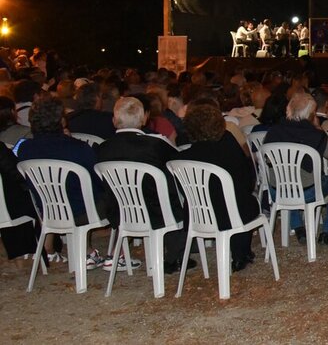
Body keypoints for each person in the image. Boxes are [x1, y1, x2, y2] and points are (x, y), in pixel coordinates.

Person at [17, 96, 109, 269]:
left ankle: (85, 251)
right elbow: (98, 181)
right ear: (62, 120)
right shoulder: (79, 148)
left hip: (48, 210)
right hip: (83, 212)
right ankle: (111, 253)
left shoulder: (25, 148)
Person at [95, 97, 185, 272]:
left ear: (114, 120)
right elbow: (179, 164)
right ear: (144, 119)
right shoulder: (156, 144)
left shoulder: (102, 148)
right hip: (157, 213)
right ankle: (175, 255)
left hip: (119, 212)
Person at [173, 102, 259, 273]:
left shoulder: (182, 158)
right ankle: (240, 254)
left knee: (232, 200)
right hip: (232, 214)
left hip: (198, 216)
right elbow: (246, 179)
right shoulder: (228, 144)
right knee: (242, 201)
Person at [264, 92, 328, 244]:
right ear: (311, 114)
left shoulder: (273, 131)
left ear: (288, 109)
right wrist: (318, 128)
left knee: (288, 179)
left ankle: (298, 227)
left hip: (277, 190)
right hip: (308, 191)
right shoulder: (315, 134)